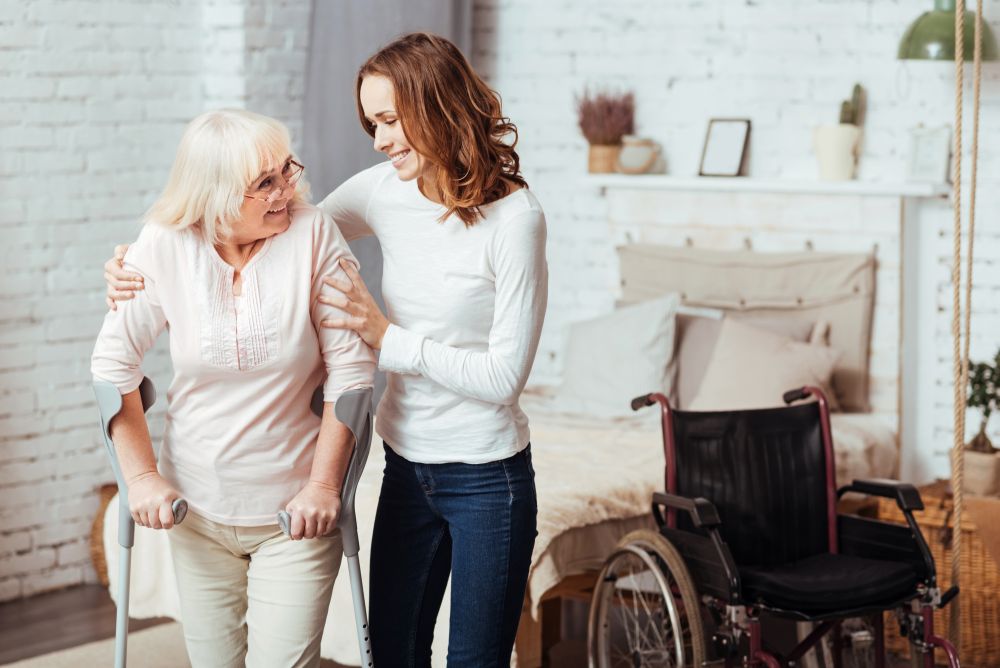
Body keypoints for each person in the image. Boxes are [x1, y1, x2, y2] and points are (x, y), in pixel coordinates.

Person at [104, 32, 547, 667]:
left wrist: (386, 338)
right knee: (393, 653)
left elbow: (504, 378)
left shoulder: (516, 220)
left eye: (391, 119)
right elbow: (282, 226)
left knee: (475, 659)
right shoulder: (384, 189)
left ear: (439, 106)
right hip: (406, 465)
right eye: (373, 123)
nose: (380, 140)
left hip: (487, 475)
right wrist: (139, 263)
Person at [92, 109, 375, 668]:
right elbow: (111, 365)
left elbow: (352, 373)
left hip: (294, 513)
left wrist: (324, 487)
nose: (285, 192)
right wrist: (143, 478)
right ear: (215, 196)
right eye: (264, 183)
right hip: (194, 508)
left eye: (285, 172)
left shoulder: (313, 233)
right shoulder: (164, 245)